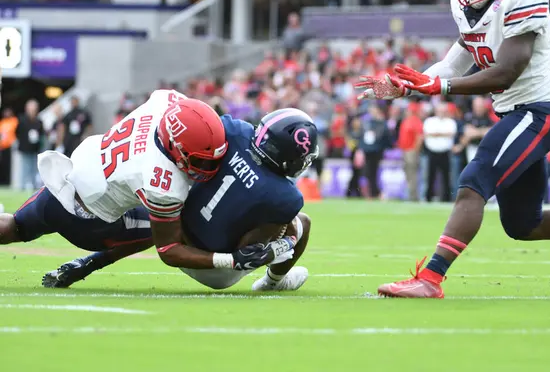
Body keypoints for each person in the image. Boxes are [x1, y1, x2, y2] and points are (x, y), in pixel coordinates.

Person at [356, 0, 550, 298]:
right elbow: (454, 64)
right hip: (516, 114)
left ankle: (431, 278)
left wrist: (439, 87)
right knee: (524, 224)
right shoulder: (467, 5)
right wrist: (407, 86)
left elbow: (506, 72)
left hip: (536, 113)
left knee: (473, 183)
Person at [0, 90, 294, 276]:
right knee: (177, 227)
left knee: (12, 226)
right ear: (175, 149)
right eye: (201, 160)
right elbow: (169, 251)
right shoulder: (162, 180)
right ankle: (88, 263)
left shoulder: (166, 101)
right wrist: (229, 261)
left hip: (64, 182)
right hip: (91, 224)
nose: (209, 167)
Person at [41, 109, 318, 291]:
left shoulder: (234, 131)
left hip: (177, 223)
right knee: (300, 222)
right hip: (216, 269)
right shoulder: (286, 196)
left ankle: (90, 261)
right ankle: (272, 283)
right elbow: (249, 251)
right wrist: (284, 242)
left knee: (159, 219)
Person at [423, 103, 456, 202]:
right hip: (432, 152)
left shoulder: (450, 122)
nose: (441, 112)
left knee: (446, 177)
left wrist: (436, 134)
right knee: (430, 176)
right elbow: (427, 133)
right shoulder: (430, 121)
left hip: (445, 152)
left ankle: (446, 198)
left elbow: (451, 133)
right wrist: (442, 134)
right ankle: (428, 197)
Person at [397, 102, 423, 202]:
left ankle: (413, 196)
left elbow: (420, 137)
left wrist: (415, 150)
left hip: (411, 151)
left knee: (412, 174)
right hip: (405, 150)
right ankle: (409, 194)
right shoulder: (406, 121)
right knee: (408, 173)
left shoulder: (416, 121)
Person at [16, 99, 44, 190]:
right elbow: (17, 132)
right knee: (25, 168)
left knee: (34, 169)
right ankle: (22, 186)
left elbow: (41, 134)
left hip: (35, 149)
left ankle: (34, 186)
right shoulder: (22, 120)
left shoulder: (39, 121)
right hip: (25, 148)